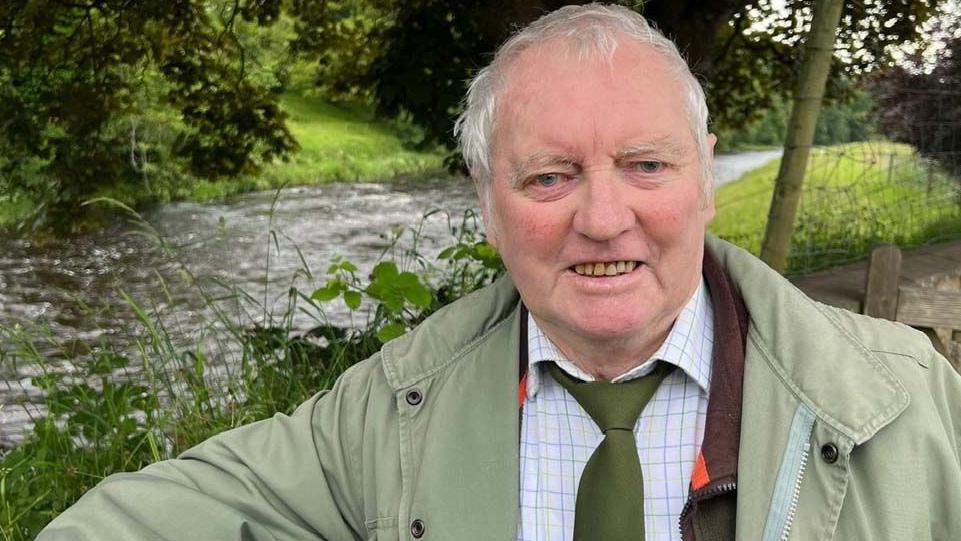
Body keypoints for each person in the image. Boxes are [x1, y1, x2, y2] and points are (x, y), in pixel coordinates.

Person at [38, 4, 961, 540]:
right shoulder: (387, 412)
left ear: (704, 175)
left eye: (645, 165)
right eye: (549, 176)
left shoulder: (903, 402)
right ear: (486, 203)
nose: (603, 218)